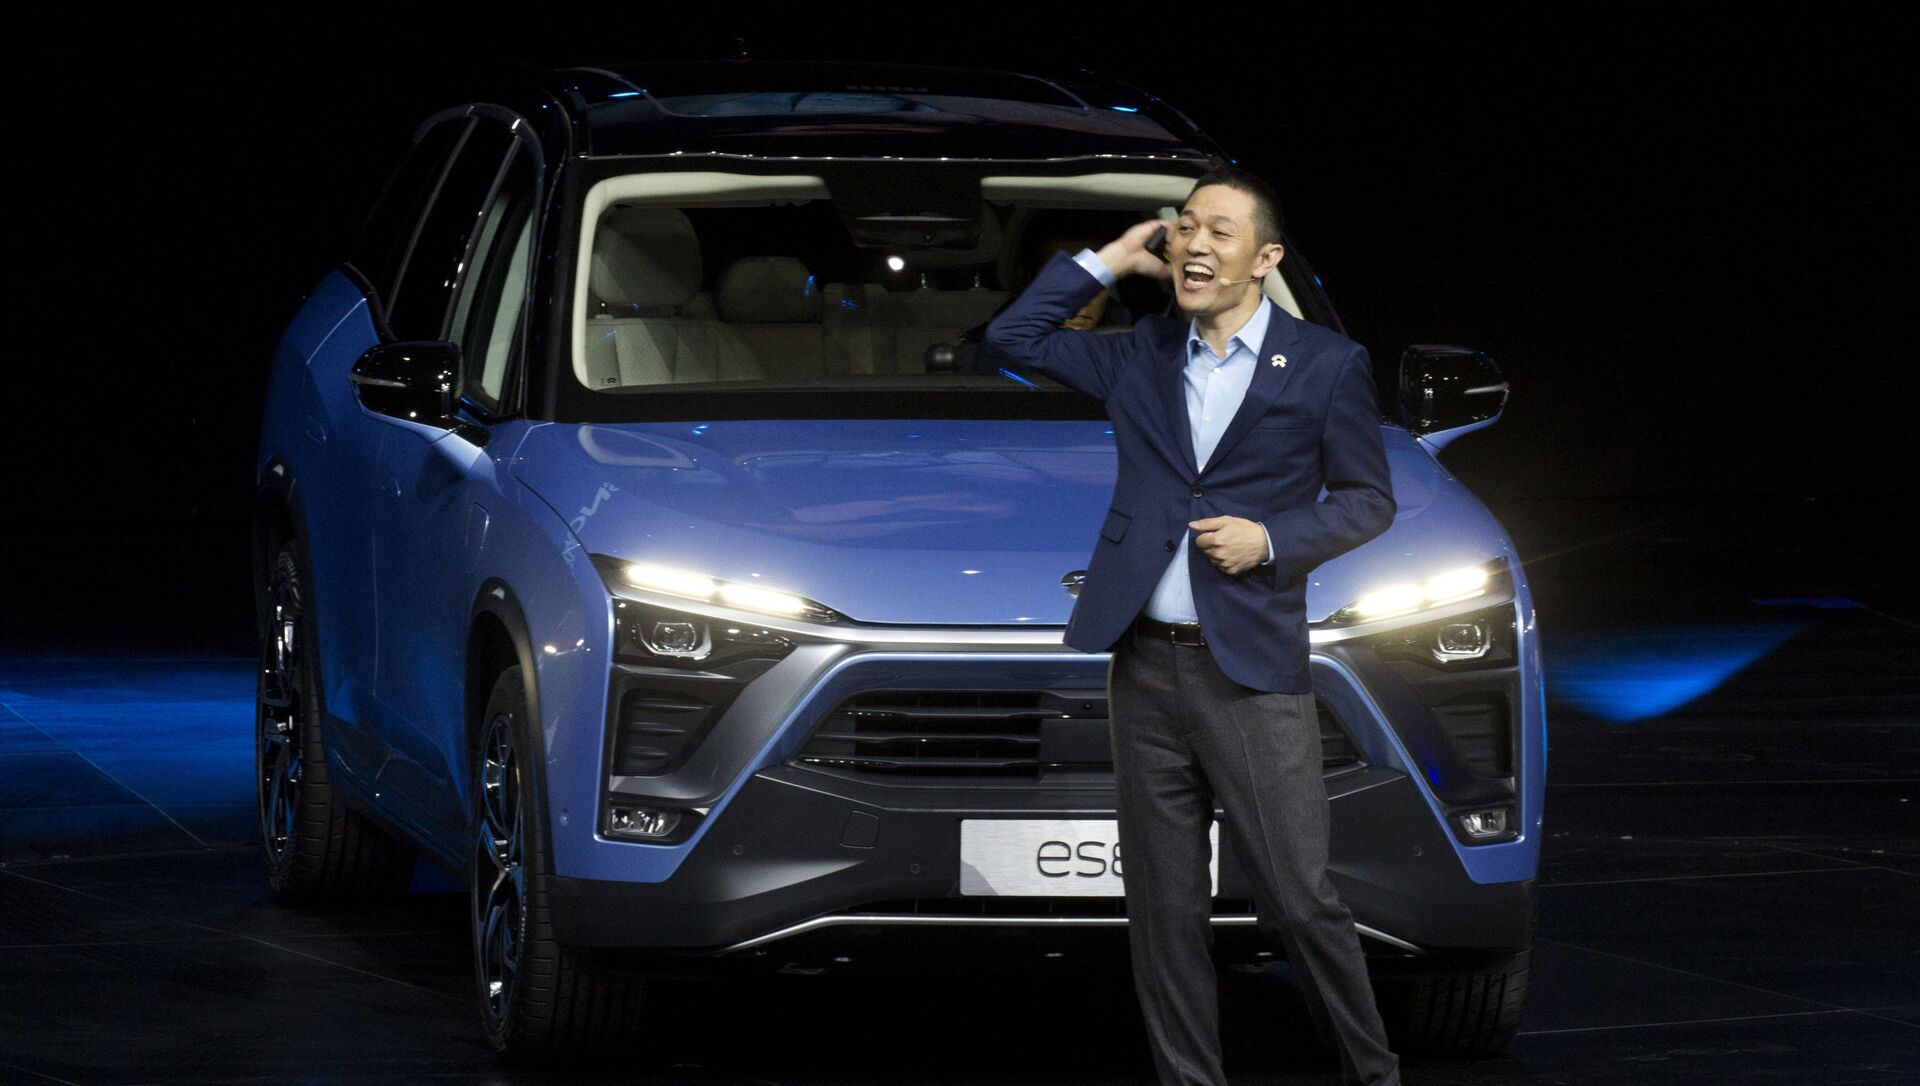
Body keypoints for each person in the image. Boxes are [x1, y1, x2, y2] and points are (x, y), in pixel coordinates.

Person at [984, 166, 1401, 1086]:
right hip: (1142, 669)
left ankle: (1373, 1075)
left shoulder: (1326, 364)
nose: (1194, 244)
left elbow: (1369, 499)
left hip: (1248, 671)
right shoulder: (1141, 352)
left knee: (1300, 900)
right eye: (1184, 228)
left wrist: (1272, 539)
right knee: (1165, 910)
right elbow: (1013, 338)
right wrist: (1107, 259)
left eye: (1219, 231)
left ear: (1265, 258)